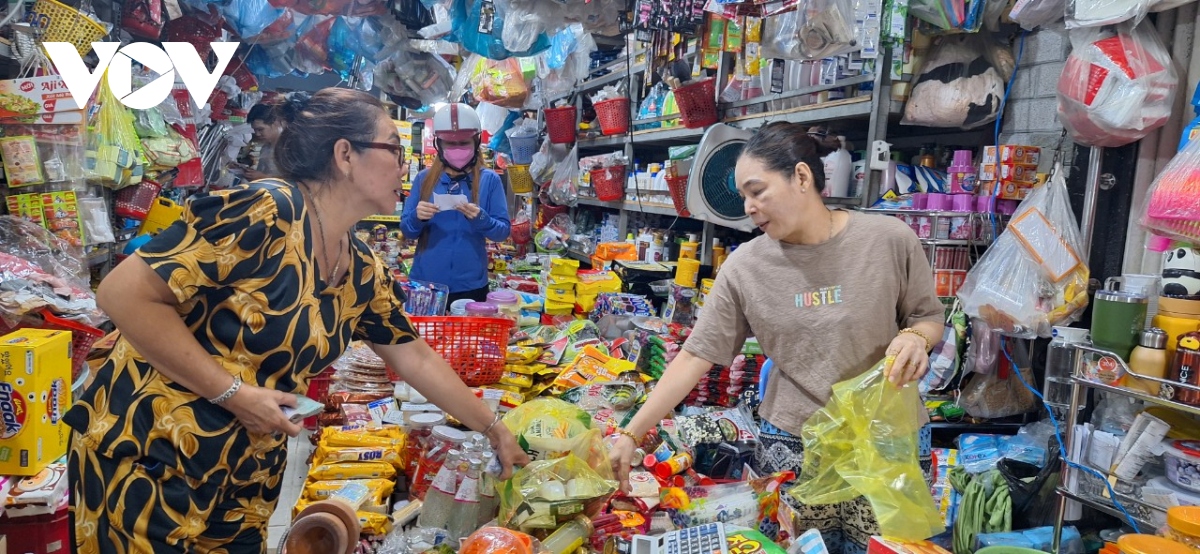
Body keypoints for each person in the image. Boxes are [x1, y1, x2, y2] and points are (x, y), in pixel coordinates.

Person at [66, 88, 529, 554]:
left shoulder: (360, 268)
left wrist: (495, 430)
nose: (404, 165)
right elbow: (122, 294)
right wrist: (233, 393)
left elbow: (416, 357)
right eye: (394, 148)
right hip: (152, 460)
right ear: (345, 154)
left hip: (244, 476)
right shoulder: (268, 210)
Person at [606, 122, 945, 554]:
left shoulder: (888, 240)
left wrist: (916, 337)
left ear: (801, 177)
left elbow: (928, 317)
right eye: (743, 196)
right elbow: (695, 356)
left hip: (887, 441)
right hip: (795, 444)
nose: (748, 206)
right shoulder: (745, 267)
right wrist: (631, 434)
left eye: (757, 191)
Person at [400, 103, 510, 305]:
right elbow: (407, 231)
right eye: (450, 144)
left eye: (464, 143)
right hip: (425, 284)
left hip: (471, 286)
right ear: (438, 145)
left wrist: (481, 218)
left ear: (476, 142)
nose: (457, 149)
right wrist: (417, 217)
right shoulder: (424, 179)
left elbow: (502, 232)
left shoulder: (489, 180)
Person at [238, 97, 296, 180]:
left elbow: (296, 181)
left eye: (261, 129)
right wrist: (249, 173)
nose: (257, 134)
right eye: (255, 130)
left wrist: (263, 177)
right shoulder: (267, 145)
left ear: (275, 123)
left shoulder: (289, 148)